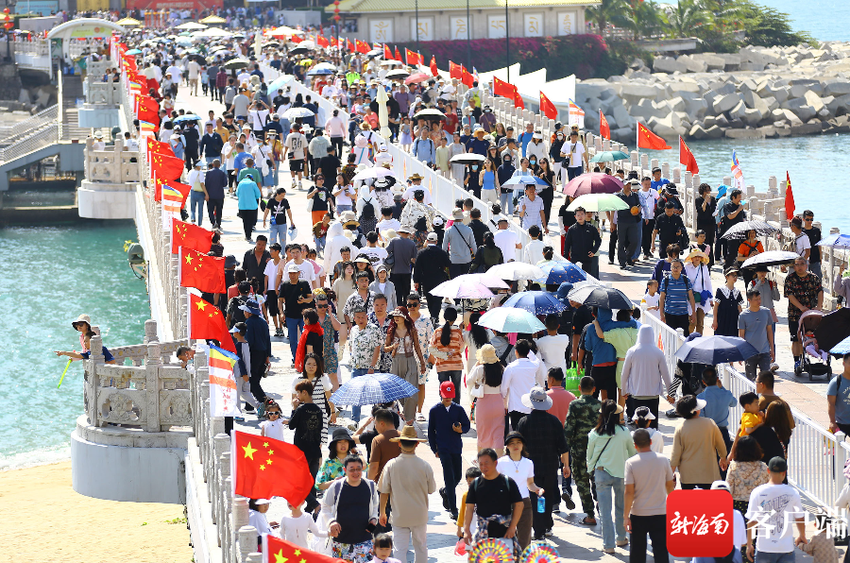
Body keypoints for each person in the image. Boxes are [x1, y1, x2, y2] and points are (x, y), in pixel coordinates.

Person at [516, 388, 570, 542]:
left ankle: (539, 530)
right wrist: (566, 465)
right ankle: (547, 524)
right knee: (547, 495)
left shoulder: (524, 422)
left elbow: (518, 446)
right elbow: (563, 447)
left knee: (535, 497)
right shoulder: (554, 421)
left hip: (531, 467)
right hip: (550, 466)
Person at [378, 425, 436, 563]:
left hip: (399, 515)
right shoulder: (425, 466)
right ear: (416, 444)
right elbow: (431, 489)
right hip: (419, 515)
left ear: (399, 443)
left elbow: (384, 491)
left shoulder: (391, 465)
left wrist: (382, 512)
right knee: (421, 547)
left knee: (399, 549)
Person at [586, 400, 636, 554]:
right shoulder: (624, 432)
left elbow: (590, 456)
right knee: (621, 507)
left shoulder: (594, 433)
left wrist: (590, 469)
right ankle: (621, 538)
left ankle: (608, 545)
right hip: (622, 474)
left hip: (602, 473)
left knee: (605, 511)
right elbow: (632, 454)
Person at [623, 429, 674, 563]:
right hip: (660, 512)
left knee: (637, 552)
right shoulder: (663, 460)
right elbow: (670, 486)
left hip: (638, 513)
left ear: (635, 445)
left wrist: (626, 516)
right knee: (661, 550)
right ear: (650, 442)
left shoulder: (631, 463)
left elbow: (629, 492)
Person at [745, 457, 807, 563]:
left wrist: (749, 544)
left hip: (764, 547)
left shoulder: (757, 492)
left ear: (768, 470)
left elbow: (752, 521)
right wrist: (802, 535)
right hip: (785, 547)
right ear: (784, 472)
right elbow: (799, 518)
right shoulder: (793, 493)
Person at [323, 455, 379, 563]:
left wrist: (373, 519)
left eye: (358, 469)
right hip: (341, 540)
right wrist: (331, 522)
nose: (355, 472)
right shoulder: (336, 486)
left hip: (364, 540)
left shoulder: (370, 485)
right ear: (345, 470)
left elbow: (375, 505)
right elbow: (325, 506)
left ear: (363, 468)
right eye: (351, 469)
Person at [463, 448, 524, 547]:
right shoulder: (476, 483)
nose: (483, 467)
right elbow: (469, 508)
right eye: (481, 464)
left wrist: (512, 527)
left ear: (495, 463)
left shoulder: (508, 482)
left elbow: (519, 505)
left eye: (486, 463)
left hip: (505, 534)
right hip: (483, 534)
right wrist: (466, 530)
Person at [428, 381, 471, 520]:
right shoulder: (434, 410)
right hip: (443, 448)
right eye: (445, 395)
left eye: (450, 396)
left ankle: (446, 491)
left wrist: (461, 429)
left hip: (456, 447)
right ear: (441, 393)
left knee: (457, 475)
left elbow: (466, 425)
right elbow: (430, 431)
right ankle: (453, 508)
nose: (448, 398)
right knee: (449, 476)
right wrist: (434, 448)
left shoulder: (458, 409)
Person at [670, 395, 728, 489]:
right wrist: (723, 458)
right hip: (709, 474)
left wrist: (670, 473)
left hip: (688, 476)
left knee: (690, 503)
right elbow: (720, 444)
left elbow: (675, 454)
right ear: (696, 410)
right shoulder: (710, 423)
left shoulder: (680, 428)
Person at [620, 325, 673, 427]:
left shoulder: (632, 351)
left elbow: (624, 373)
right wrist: (670, 393)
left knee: (639, 425)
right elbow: (665, 374)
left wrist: (624, 390)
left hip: (636, 395)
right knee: (652, 425)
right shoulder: (658, 352)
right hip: (653, 395)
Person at [385, 307, 426, 424]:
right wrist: (393, 347)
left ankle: (409, 419)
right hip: (396, 361)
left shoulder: (411, 329)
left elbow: (417, 347)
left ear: (404, 317)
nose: (396, 318)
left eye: (399, 316)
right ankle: (403, 413)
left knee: (411, 391)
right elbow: (385, 348)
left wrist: (422, 363)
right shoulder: (391, 330)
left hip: (410, 361)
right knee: (397, 391)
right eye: (394, 316)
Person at [785, 257, 823, 371]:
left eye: (802, 264)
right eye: (797, 264)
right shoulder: (790, 279)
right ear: (794, 266)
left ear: (806, 265)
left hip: (811, 314)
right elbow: (790, 295)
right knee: (795, 338)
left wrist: (819, 306)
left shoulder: (813, 278)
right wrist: (801, 307)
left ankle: (810, 359)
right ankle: (797, 361)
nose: (800, 267)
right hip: (795, 313)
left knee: (810, 337)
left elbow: (820, 291)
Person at [348, 307, 383, 422]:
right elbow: (351, 345)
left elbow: (377, 348)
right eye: (358, 317)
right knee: (355, 394)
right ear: (354, 318)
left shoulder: (374, 329)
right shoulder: (353, 330)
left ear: (367, 317)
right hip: (357, 367)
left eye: (363, 317)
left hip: (371, 368)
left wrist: (372, 366)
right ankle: (355, 420)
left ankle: (377, 419)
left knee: (375, 396)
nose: (361, 319)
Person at [501, 339, 546, 430]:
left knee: (517, 434)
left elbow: (504, 388)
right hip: (530, 407)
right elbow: (536, 360)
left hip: (515, 407)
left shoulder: (511, 367)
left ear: (516, 352)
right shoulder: (534, 365)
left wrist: (504, 402)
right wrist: (529, 352)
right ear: (528, 351)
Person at [278, 264, 313, 364]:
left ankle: (304, 358)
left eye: (294, 273)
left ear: (298, 273)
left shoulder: (304, 283)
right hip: (290, 316)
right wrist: (281, 313)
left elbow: (310, 298)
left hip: (303, 316)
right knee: (292, 340)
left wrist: (304, 301)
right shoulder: (285, 285)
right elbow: (280, 300)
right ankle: (296, 358)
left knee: (305, 338)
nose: (292, 275)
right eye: (291, 273)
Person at [429, 307, 465, 404]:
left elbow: (431, 348)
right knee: (456, 391)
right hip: (456, 365)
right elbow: (461, 348)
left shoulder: (437, 331)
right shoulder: (457, 332)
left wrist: (443, 355)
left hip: (442, 365)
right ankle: (456, 413)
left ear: (444, 317)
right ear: (455, 318)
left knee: (444, 390)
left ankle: (444, 411)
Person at [726, 435, 769, 514]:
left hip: (738, 505)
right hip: (758, 504)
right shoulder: (763, 466)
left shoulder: (734, 466)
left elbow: (729, 488)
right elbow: (768, 486)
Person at [698, 367, 737, 453]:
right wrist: (722, 388)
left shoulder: (700, 397)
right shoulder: (726, 394)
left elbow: (701, 417)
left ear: (703, 382)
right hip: (723, 432)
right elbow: (734, 403)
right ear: (717, 379)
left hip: (708, 432)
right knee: (723, 461)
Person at [739, 289, 775, 381]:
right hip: (750, 353)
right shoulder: (743, 315)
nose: (759, 301)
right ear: (749, 300)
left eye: (759, 299)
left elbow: (769, 331)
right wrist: (741, 353)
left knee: (766, 380)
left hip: (764, 351)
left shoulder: (766, 312)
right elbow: (741, 335)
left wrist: (772, 349)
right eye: (756, 299)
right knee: (750, 380)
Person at [242, 300, 271, 409]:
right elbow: (268, 340)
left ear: (249, 312)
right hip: (263, 354)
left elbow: (249, 343)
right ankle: (249, 406)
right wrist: (267, 356)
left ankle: (269, 404)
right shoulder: (263, 321)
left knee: (253, 383)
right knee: (255, 381)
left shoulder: (248, 323)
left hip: (253, 355)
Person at [659, 259, 696, 335]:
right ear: (670, 268)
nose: (675, 269)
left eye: (678, 267)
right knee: (670, 337)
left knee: (684, 337)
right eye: (674, 267)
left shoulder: (686, 280)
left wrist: (693, 313)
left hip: (683, 314)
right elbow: (662, 298)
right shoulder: (665, 280)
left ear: (681, 268)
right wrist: (661, 314)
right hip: (670, 314)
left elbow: (691, 297)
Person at [563, 206, 601, 278]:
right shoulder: (571, 229)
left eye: (582, 214)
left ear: (585, 215)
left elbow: (598, 240)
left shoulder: (591, 228)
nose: (580, 216)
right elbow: (567, 244)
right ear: (575, 217)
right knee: (575, 278)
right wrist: (565, 258)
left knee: (587, 278)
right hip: (575, 258)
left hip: (587, 258)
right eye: (578, 215)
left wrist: (593, 251)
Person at [386, 227, 417, 304]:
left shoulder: (394, 241)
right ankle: (405, 310)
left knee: (396, 294)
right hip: (407, 271)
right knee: (406, 294)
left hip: (395, 271)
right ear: (408, 233)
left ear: (400, 232)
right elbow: (414, 259)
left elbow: (386, 252)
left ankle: (397, 309)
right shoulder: (412, 243)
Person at [442, 209, 477, 278]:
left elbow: (444, 247)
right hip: (467, 259)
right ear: (461, 218)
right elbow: (473, 244)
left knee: (455, 283)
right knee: (466, 282)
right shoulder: (468, 229)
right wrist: (476, 257)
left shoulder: (448, 231)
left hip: (454, 260)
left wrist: (444, 260)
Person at [827, 354, 850, 435]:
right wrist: (832, 422)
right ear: (844, 363)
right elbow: (831, 403)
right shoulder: (836, 382)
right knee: (837, 447)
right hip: (840, 422)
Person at [236, 172, 262, 241]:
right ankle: (249, 236)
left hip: (242, 206)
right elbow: (258, 194)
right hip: (252, 206)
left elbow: (237, 193)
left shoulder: (240, 183)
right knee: (250, 221)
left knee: (245, 221)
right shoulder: (253, 183)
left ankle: (246, 235)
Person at [802, 210, 823, 278]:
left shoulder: (816, 231)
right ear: (803, 219)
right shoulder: (802, 232)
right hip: (805, 260)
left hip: (815, 259)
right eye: (807, 219)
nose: (809, 221)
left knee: (818, 279)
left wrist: (820, 257)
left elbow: (819, 244)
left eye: (811, 219)